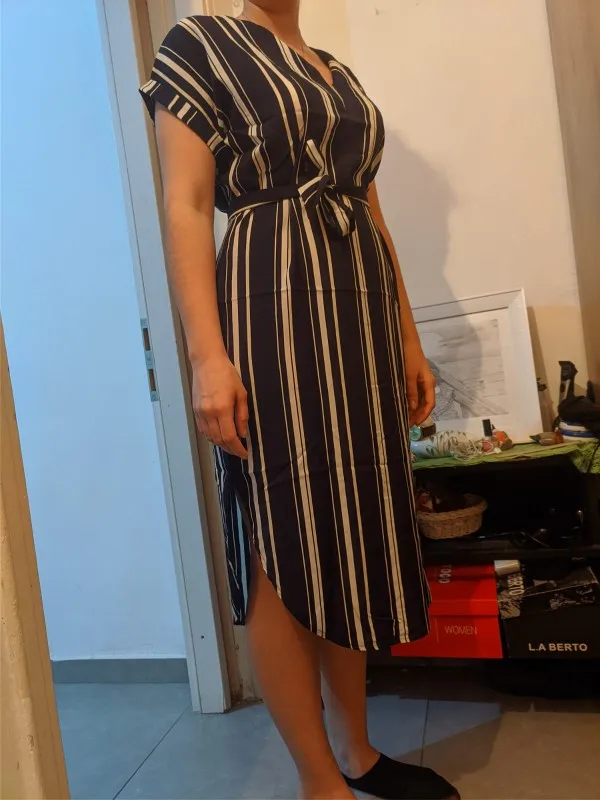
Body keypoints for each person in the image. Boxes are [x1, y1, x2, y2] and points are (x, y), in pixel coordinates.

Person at [140, 3, 458, 798]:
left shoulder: (337, 73)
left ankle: (358, 752)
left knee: (349, 530)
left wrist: (407, 336)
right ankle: (319, 779)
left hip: (358, 307)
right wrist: (207, 357)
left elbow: (372, 213)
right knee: (279, 531)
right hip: (271, 305)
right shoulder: (200, 43)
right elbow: (185, 204)